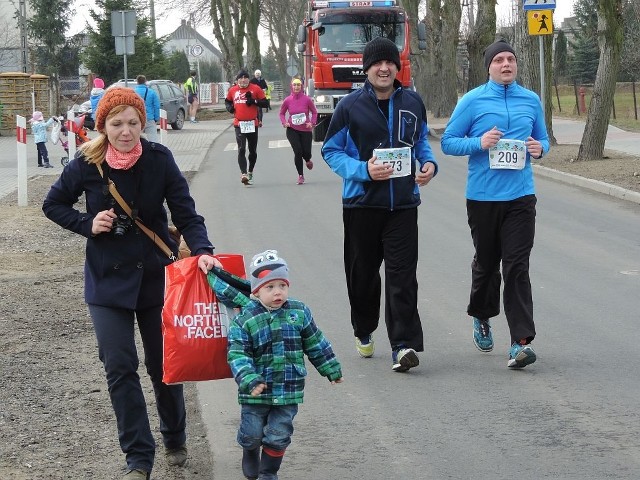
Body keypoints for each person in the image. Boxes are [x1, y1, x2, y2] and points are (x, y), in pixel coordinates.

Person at [42, 87, 222, 479]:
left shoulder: (159, 159)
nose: (126, 131)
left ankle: (174, 434)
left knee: (163, 366)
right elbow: (52, 204)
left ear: (144, 123)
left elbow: (186, 213)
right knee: (119, 367)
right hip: (106, 283)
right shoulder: (85, 164)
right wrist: (87, 224)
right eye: (117, 123)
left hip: (157, 278)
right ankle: (138, 458)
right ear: (102, 126)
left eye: (133, 123)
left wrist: (203, 249)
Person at [321, 37, 438, 372]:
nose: (384, 68)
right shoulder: (349, 107)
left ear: (396, 67)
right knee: (363, 277)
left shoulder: (413, 102)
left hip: (402, 206)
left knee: (402, 277)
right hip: (361, 206)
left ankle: (402, 346)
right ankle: (363, 328)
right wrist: (363, 171)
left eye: (389, 62)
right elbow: (331, 151)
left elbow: (420, 145)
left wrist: (429, 166)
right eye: (376, 63)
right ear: (367, 69)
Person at [440, 38, 549, 369]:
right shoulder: (472, 101)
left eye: (511, 60)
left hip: (520, 197)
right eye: (499, 60)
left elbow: (543, 138)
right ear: (488, 66)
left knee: (517, 266)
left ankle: (520, 342)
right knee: (487, 265)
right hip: (483, 198)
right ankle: (482, 315)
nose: (506, 64)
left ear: (517, 65)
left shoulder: (530, 100)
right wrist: (479, 142)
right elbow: (448, 142)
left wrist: (539, 149)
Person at [199, 249, 343, 480]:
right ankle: (249, 450)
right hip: (256, 388)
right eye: (270, 287)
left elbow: (315, 342)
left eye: (282, 286)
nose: (278, 292)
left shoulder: (299, 312)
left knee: (279, 433)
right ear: (256, 290)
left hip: (289, 387)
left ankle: (268, 472)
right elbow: (237, 354)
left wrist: (331, 368)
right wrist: (249, 379)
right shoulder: (245, 318)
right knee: (252, 431)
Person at [225, 69, 268, 186]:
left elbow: (265, 103)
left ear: (249, 79)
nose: (243, 80)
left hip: (252, 123)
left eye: (245, 78)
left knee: (252, 151)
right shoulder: (233, 90)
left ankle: (250, 172)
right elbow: (227, 101)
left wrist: (254, 101)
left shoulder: (256, 88)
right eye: (240, 78)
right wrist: (230, 108)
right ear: (237, 79)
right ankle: (243, 174)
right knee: (241, 148)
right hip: (239, 124)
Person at [279, 77, 317, 185]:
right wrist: (284, 122)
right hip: (292, 129)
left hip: (305, 129)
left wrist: (312, 123)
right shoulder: (287, 100)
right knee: (298, 151)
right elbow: (281, 113)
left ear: (301, 87)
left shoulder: (307, 99)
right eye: (294, 85)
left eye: (298, 85)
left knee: (306, 152)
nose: (296, 87)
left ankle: (308, 160)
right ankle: (301, 175)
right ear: (291, 86)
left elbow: (314, 112)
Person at [134, 75, 160, 143]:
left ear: (137, 82)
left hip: (137, 119)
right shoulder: (152, 92)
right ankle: (154, 152)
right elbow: (156, 106)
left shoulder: (133, 92)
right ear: (145, 81)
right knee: (153, 140)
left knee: (136, 140)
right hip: (149, 118)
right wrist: (156, 118)